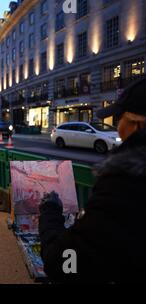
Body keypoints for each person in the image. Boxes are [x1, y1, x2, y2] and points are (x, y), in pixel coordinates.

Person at [39, 78, 146, 283]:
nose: (117, 127)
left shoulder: (126, 185)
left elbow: (64, 264)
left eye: (118, 119)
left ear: (136, 125)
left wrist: (50, 214)